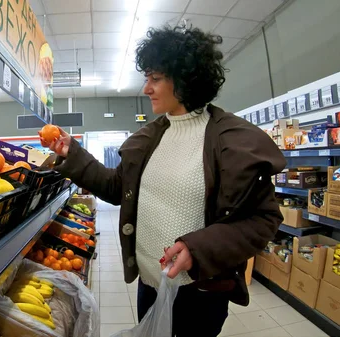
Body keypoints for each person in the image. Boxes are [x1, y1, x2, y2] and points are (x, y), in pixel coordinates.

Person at [41, 25, 286, 337]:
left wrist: (197, 248)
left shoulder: (231, 141)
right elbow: (118, 188)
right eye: (147, 78)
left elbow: (263, 220)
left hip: (200, 292)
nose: (146, 88)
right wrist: (72, 154)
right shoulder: (148, 139)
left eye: (155, 78)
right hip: (150, 284)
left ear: (184, 81)